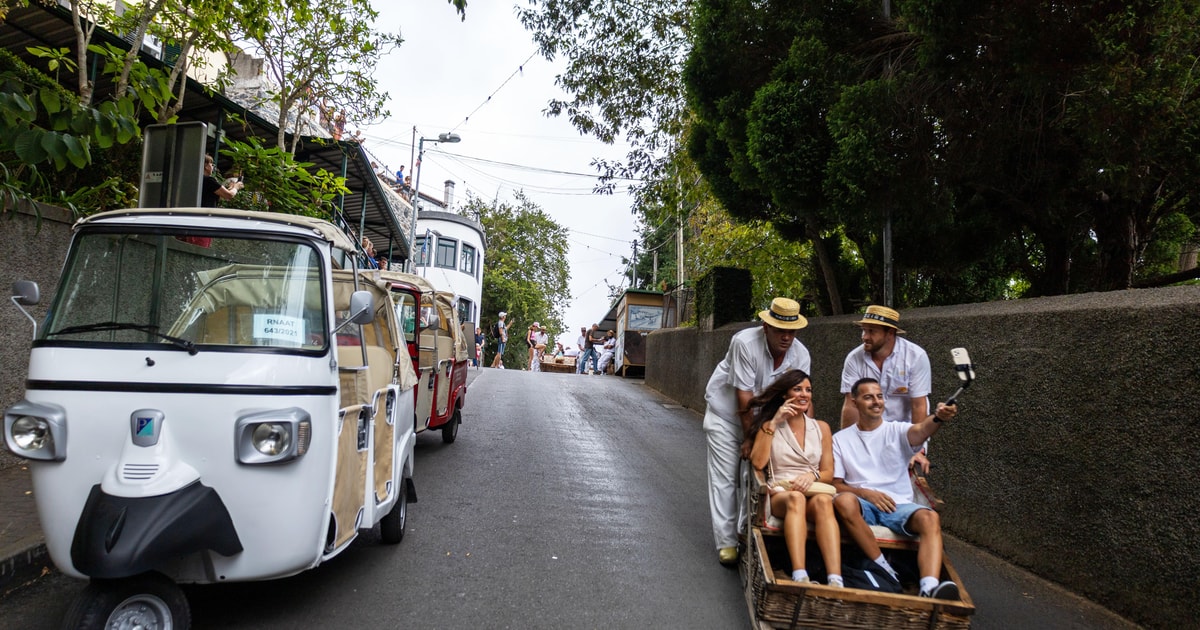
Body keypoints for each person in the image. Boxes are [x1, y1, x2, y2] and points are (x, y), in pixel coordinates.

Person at [703, 297, 812, 565]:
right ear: (766, 327)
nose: (786, 337)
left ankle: (743, 533)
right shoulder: (745, 343)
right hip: (727, 416)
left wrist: (809, 442)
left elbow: (803, 398)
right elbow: (744, 398)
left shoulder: (801, 354)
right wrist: (750, 439)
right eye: (780, 330)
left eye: (792, 331)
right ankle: (727, 542)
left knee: (754, 476)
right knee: (727, 477)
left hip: (765, 419)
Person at [832, 378, 960, 600]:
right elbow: (836, 484)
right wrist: (866, 493)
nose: (876, 401)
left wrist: (938, 417)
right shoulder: (840, 439)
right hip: (863, 505)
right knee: (843, 500)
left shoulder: (898, 430)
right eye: (868, 397)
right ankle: (885, 569)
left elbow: (922, 430)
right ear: (854, 402)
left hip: (897, 505)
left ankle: (928, 588)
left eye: (879, 396)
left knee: (930, 518)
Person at [747, 370, 843, 586]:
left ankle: (835, 579)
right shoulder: (769, 425)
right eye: (797, 389)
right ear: (784, 394)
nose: (804, 394)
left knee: (824, 502)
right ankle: (800, 575)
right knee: (796, 499)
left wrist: (812, 475)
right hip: (783, 491)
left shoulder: (821, 428)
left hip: (813, 487)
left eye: (808, 390)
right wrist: (775, 422)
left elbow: (828, 472)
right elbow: (758, 463)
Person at [839, 305, 933, 472]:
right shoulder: (854, 359)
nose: (864, 337)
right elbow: (850, 405)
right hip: (868, 434)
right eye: (863, 330)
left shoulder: (915, 356)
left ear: (890, 333)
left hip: (905, 434)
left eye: (871, 331)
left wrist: (916, 449)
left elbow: (919, 405)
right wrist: (845, 446)